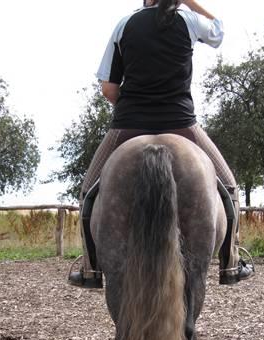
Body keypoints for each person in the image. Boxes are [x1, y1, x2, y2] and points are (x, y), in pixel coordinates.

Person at [69, 0, 253, 288]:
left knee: (87, 192)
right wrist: (192, 3)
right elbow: (218, 32)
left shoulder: (124, 24)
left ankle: (91, 269)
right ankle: (231, 263)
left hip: (128, 124)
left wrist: (134, 108)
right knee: (229, 187)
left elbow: (108, 88)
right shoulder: (189, 20)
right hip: (181, 122)